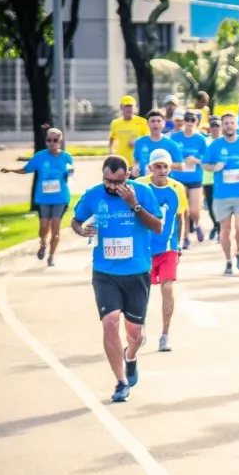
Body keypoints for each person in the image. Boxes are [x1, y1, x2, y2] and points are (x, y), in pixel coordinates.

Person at [70, 156, 162, 402]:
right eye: (108, 181)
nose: (112, 187)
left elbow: (157, 227)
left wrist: (134, 205)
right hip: (105, 272)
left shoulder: (142, 192)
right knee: (110, 322)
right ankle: (121, 382)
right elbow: (75, 220)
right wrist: (82, 229)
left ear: (128, 176)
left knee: (135, 333)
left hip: (137, 271)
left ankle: (130, 356)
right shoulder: (93, 195)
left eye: (118, 182)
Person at [0, 127, 74, 267]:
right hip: (44, 198)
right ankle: (43, 243)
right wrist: (10, 169)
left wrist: (70, 172)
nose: (52, 143)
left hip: (60, 198)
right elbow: (25, 169)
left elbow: (70, 172)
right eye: (49, 140)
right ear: (46, 141)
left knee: (55, 227)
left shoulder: (66, 157)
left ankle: (51, 256)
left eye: (55, 140)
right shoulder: (40, 157)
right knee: (43, 228)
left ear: (60, 141)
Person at [139, 150, 185, 353]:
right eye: (158, 166)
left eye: (165, 166)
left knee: (167, 288)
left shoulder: (177, 188)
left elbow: (180, 218)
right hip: (145, 249)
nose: (162, 170)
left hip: (168, 248)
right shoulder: (140, 185)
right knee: (142, 292)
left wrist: (180, 243)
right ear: (150, 168)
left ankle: (165, 335)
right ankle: (139, 330)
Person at [203, 113, 239, 275]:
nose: (229, 126)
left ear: (236, 125)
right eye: (226, 123)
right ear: (222, 125)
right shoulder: (215, 145)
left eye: (232, 123)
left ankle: (238, 252)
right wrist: (214, 168)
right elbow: (205, 164)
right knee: (225, 230)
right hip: (221, 195)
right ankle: (228, 260)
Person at [168, 110, 209, 245]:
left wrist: (196, 160)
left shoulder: (200, 139)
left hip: (195, 177)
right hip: (178, 178)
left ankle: (197, 225)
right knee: (183, 210)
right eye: (188, 120)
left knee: (194, 211)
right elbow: (169, 156)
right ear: (184, 122)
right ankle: (185, 237)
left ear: (196, 123)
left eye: (193, 120)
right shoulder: (175, 138)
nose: (190, 123)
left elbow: (207, 160)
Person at [109, 96, 149, 165]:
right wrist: (112, 151)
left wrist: (137, 141)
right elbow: (113, 138)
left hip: (137, 162)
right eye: (127, 106)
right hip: (120, 161)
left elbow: (149, 139)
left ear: (135, 107)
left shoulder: (143, 122)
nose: (129, 109)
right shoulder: (115, 123)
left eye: (131, 106)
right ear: (121, 107)